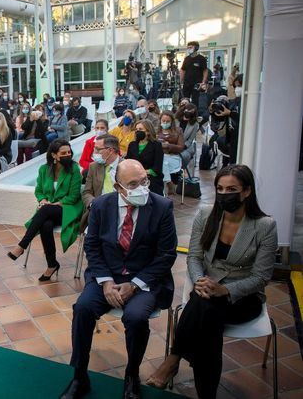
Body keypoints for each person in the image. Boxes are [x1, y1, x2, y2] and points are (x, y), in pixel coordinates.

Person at [146, 165, 277, 399]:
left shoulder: (264, 226)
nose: (224, 194)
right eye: (220, 188)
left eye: (231, 189)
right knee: (209, 316)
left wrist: (225, 289)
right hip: (205, 289)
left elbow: (261, 277)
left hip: (243, 297)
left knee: (206, 308)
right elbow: (194, 257)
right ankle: (207, 394)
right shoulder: (206, 215)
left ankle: (173, 359)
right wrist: (199, 281)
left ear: (247, 192)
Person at [60, 159, 177, 399]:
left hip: (145, 280)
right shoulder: (102, 205)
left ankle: (131, 375)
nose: (143, 187)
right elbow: (92, 247)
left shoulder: (162, 207)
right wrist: (105, 281)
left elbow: (166, 255)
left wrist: (135, 285)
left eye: (144, 180)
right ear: (118, 187)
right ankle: (80, 376)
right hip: (107, 276)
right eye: (133, 184)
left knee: (135, 317)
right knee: (82, 309)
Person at [7, 139, 83, 280]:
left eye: (69, 152)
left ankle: (22, 245)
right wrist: (42, 200)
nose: (68, 155)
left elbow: (74, 196)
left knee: (46, 210)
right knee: (45, 225)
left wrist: (54, 204)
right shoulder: (44, 169)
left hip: (68, 209)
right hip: (48, 210)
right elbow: (39, 190)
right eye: (63, 153)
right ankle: (52, 264)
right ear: (54, 155)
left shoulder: (74, 169)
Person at [80, 134, 121, 232]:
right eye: (94, 149)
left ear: (110, 150)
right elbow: (86, 192)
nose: (94, 153)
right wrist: (94, 203)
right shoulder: (93, 167)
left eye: (98, 150)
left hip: (119, 211)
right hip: (98, 210)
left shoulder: (127, 166)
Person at [126, 119, 164, 196]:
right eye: (136, 129)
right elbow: (128, 161)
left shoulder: (156, 145)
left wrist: (143, 173)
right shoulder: (132, 145)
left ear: (148, 132)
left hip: (151, 177)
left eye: (140, 129)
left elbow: (157, 167)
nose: (137, 131)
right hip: (133, 176)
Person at [158, 111, 185, 194]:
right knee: (162, 161)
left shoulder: (178, 130)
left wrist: (168, 146)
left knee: (162, 162)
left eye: (167, 121)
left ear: (172, 122)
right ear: (160, 121)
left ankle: (165, 188)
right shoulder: (156, 131)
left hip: (173, 157)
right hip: (160, 157)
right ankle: (169, 183)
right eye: (163, 121)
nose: (165, 123)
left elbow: (181, 147)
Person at [180, 41, 208, 106]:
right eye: (188, 47)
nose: (189, 49)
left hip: (197, 84)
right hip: (187, 83)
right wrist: (181, 81)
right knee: (185, 100)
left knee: (195, 101)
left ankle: (195, 114)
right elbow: (183, 70)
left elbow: (205, 70)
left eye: (191, 47)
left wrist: (203, 82)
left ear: (196, 48)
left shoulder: (201, 58)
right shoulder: (187, 59)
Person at [175, 101, 200, 175]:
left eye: (191, 111)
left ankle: (179, 170)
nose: (188, 112)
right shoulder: (176, 119)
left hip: (185, 145)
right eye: (187, 110)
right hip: (173, 142)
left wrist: (182, 146)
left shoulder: (195, 124)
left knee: (184, 156)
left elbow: (190, 140)